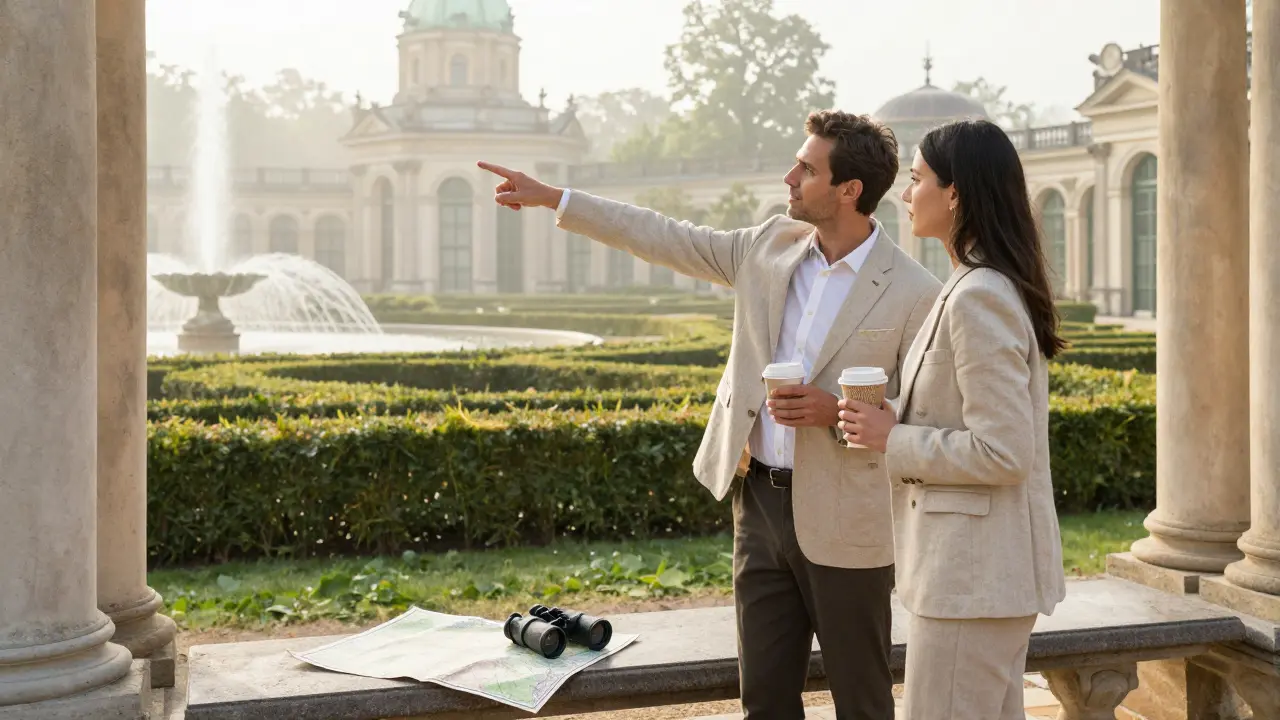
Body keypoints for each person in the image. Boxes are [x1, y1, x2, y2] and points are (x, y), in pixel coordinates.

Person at [479, 110, 941, 719]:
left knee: (862, 699)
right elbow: (664, 234)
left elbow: (920, 412)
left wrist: (837, 411)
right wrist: (556, 198)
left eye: (806, 168)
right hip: (757, 505)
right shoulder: (767, 246)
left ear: (850, 190)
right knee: (766, 699)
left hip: (849, 516)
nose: (789, 175)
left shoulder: (913, 289)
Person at [836, 118, 1068, 719]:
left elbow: (1004, 452)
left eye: (916, 180)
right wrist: (895, 417)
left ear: (956, 194)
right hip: (974, 580)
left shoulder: (979, 295)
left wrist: (896, 437)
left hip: (973, 582)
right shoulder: (970, 284)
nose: (905, 194)